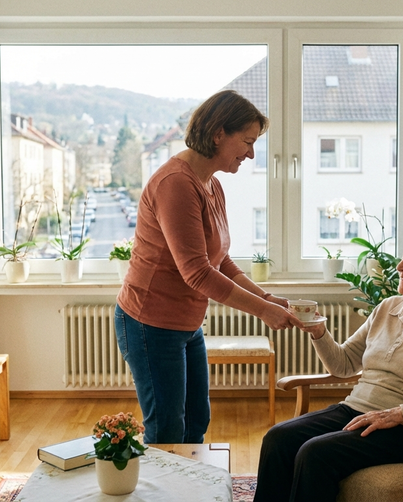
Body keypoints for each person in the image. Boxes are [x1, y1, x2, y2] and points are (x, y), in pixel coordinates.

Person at [115, 90, 301, 445]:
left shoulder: (211, 184)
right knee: (167, 429)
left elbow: (222, 261)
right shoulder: (176, 184)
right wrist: (262, 311)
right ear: (219, 134)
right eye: (246, 142)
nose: (251, 153)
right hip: (149, 323)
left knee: (197, 419)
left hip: (186, 324)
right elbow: (197, 272)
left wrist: (267, 297)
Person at [253, 225, 403, 502]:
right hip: (356, 410)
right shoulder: (388, 308)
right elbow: (343, 365)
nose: (400, 265)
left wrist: (401, 413)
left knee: (315, 453)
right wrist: (319, 332)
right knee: (278, 438)